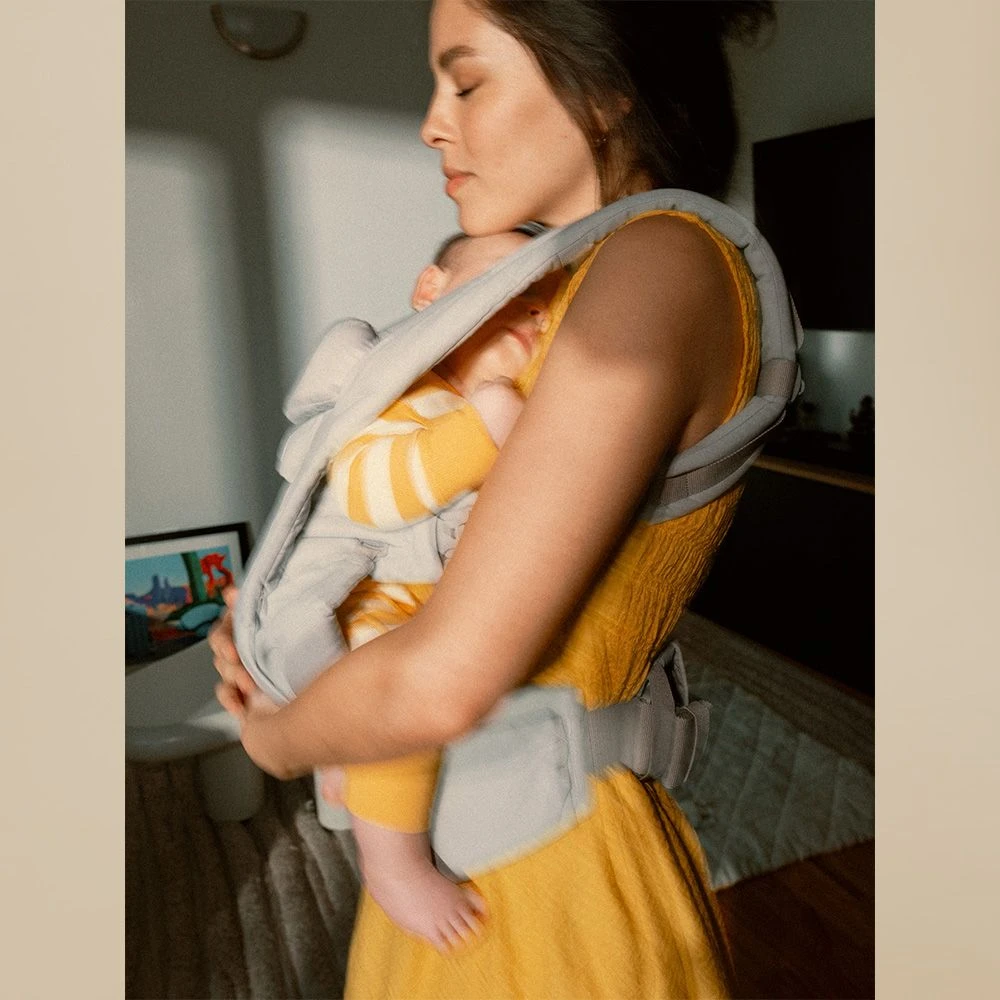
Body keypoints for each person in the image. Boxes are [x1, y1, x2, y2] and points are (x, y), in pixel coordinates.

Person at [211, 1, 775, 995]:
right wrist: (302, 637)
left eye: (466, 82)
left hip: (542, 864)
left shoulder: (659, 259)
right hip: (477, 833)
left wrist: (275, 735)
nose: (433, 124)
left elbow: (443, 679)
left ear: (604, 88)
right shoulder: (562, 285)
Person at [272, 228, 560, 951]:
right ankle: (392, 866)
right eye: (512, 285)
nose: (533, 310)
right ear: (432, 291)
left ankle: (346, 752)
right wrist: (481, 430)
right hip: (373, 601)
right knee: (393, 699)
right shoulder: (401, 388)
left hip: (450, 597)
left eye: (547, 307)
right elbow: (368, 493)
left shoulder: (512, 407)